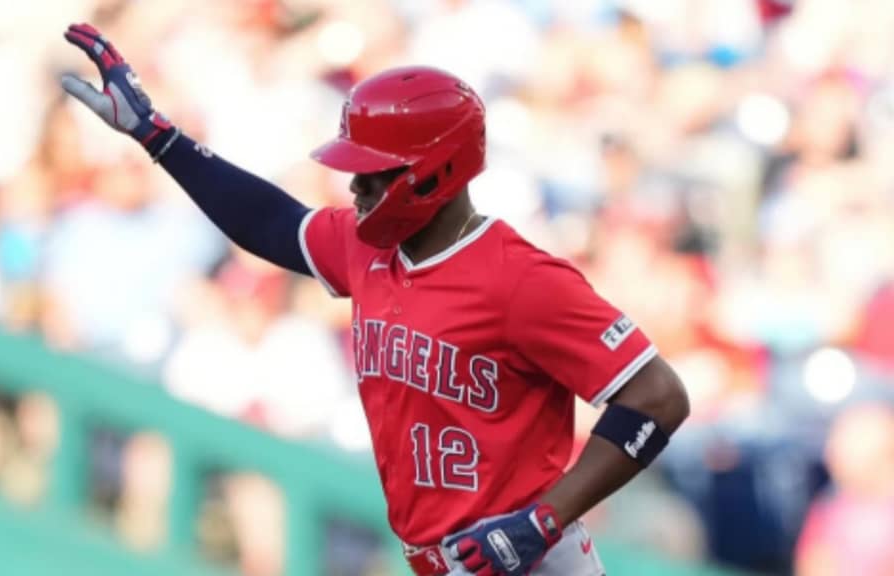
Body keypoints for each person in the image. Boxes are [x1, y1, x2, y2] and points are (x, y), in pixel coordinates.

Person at [60, 22, 690, 576]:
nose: (355, 186)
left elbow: (658, 396)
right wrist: (159, 137)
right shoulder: (366, 247)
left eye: (373, 172)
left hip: (528, 563)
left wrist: (544, 520)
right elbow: (270, 222)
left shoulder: (521, 279)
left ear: (436, 171)